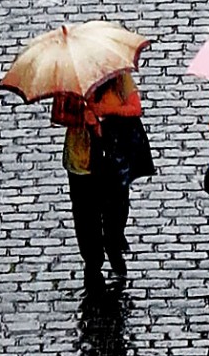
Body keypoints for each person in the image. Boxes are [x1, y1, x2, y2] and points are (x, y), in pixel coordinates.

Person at [53, 72, 154, 295]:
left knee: (117, 209)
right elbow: (58, 115)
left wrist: (103, 112)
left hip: (113, 156)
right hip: (81, 160)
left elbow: (135, 108)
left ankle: (113, 240)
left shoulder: (119, 77)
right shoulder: (68, 79)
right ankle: (93, 262)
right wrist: (82, 117)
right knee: (85, 216)